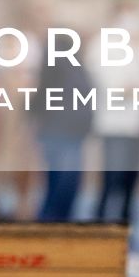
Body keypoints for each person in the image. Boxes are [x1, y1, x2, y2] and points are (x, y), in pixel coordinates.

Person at [91, 0, 139, 227]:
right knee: (111, 183)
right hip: (114, 126)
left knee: (131, 186)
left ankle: (127, 238)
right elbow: (111, 85)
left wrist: (138, 51)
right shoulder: (102, 45)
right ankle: (99, 233)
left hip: (138, 126)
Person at [32, 20, 93, 223]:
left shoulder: (74, 62)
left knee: (66, 186)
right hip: (59, 129)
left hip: (70, 130)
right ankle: (50, 225)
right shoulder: (58, 57)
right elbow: (44, 91)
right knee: (61, 186)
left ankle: (58, 224)